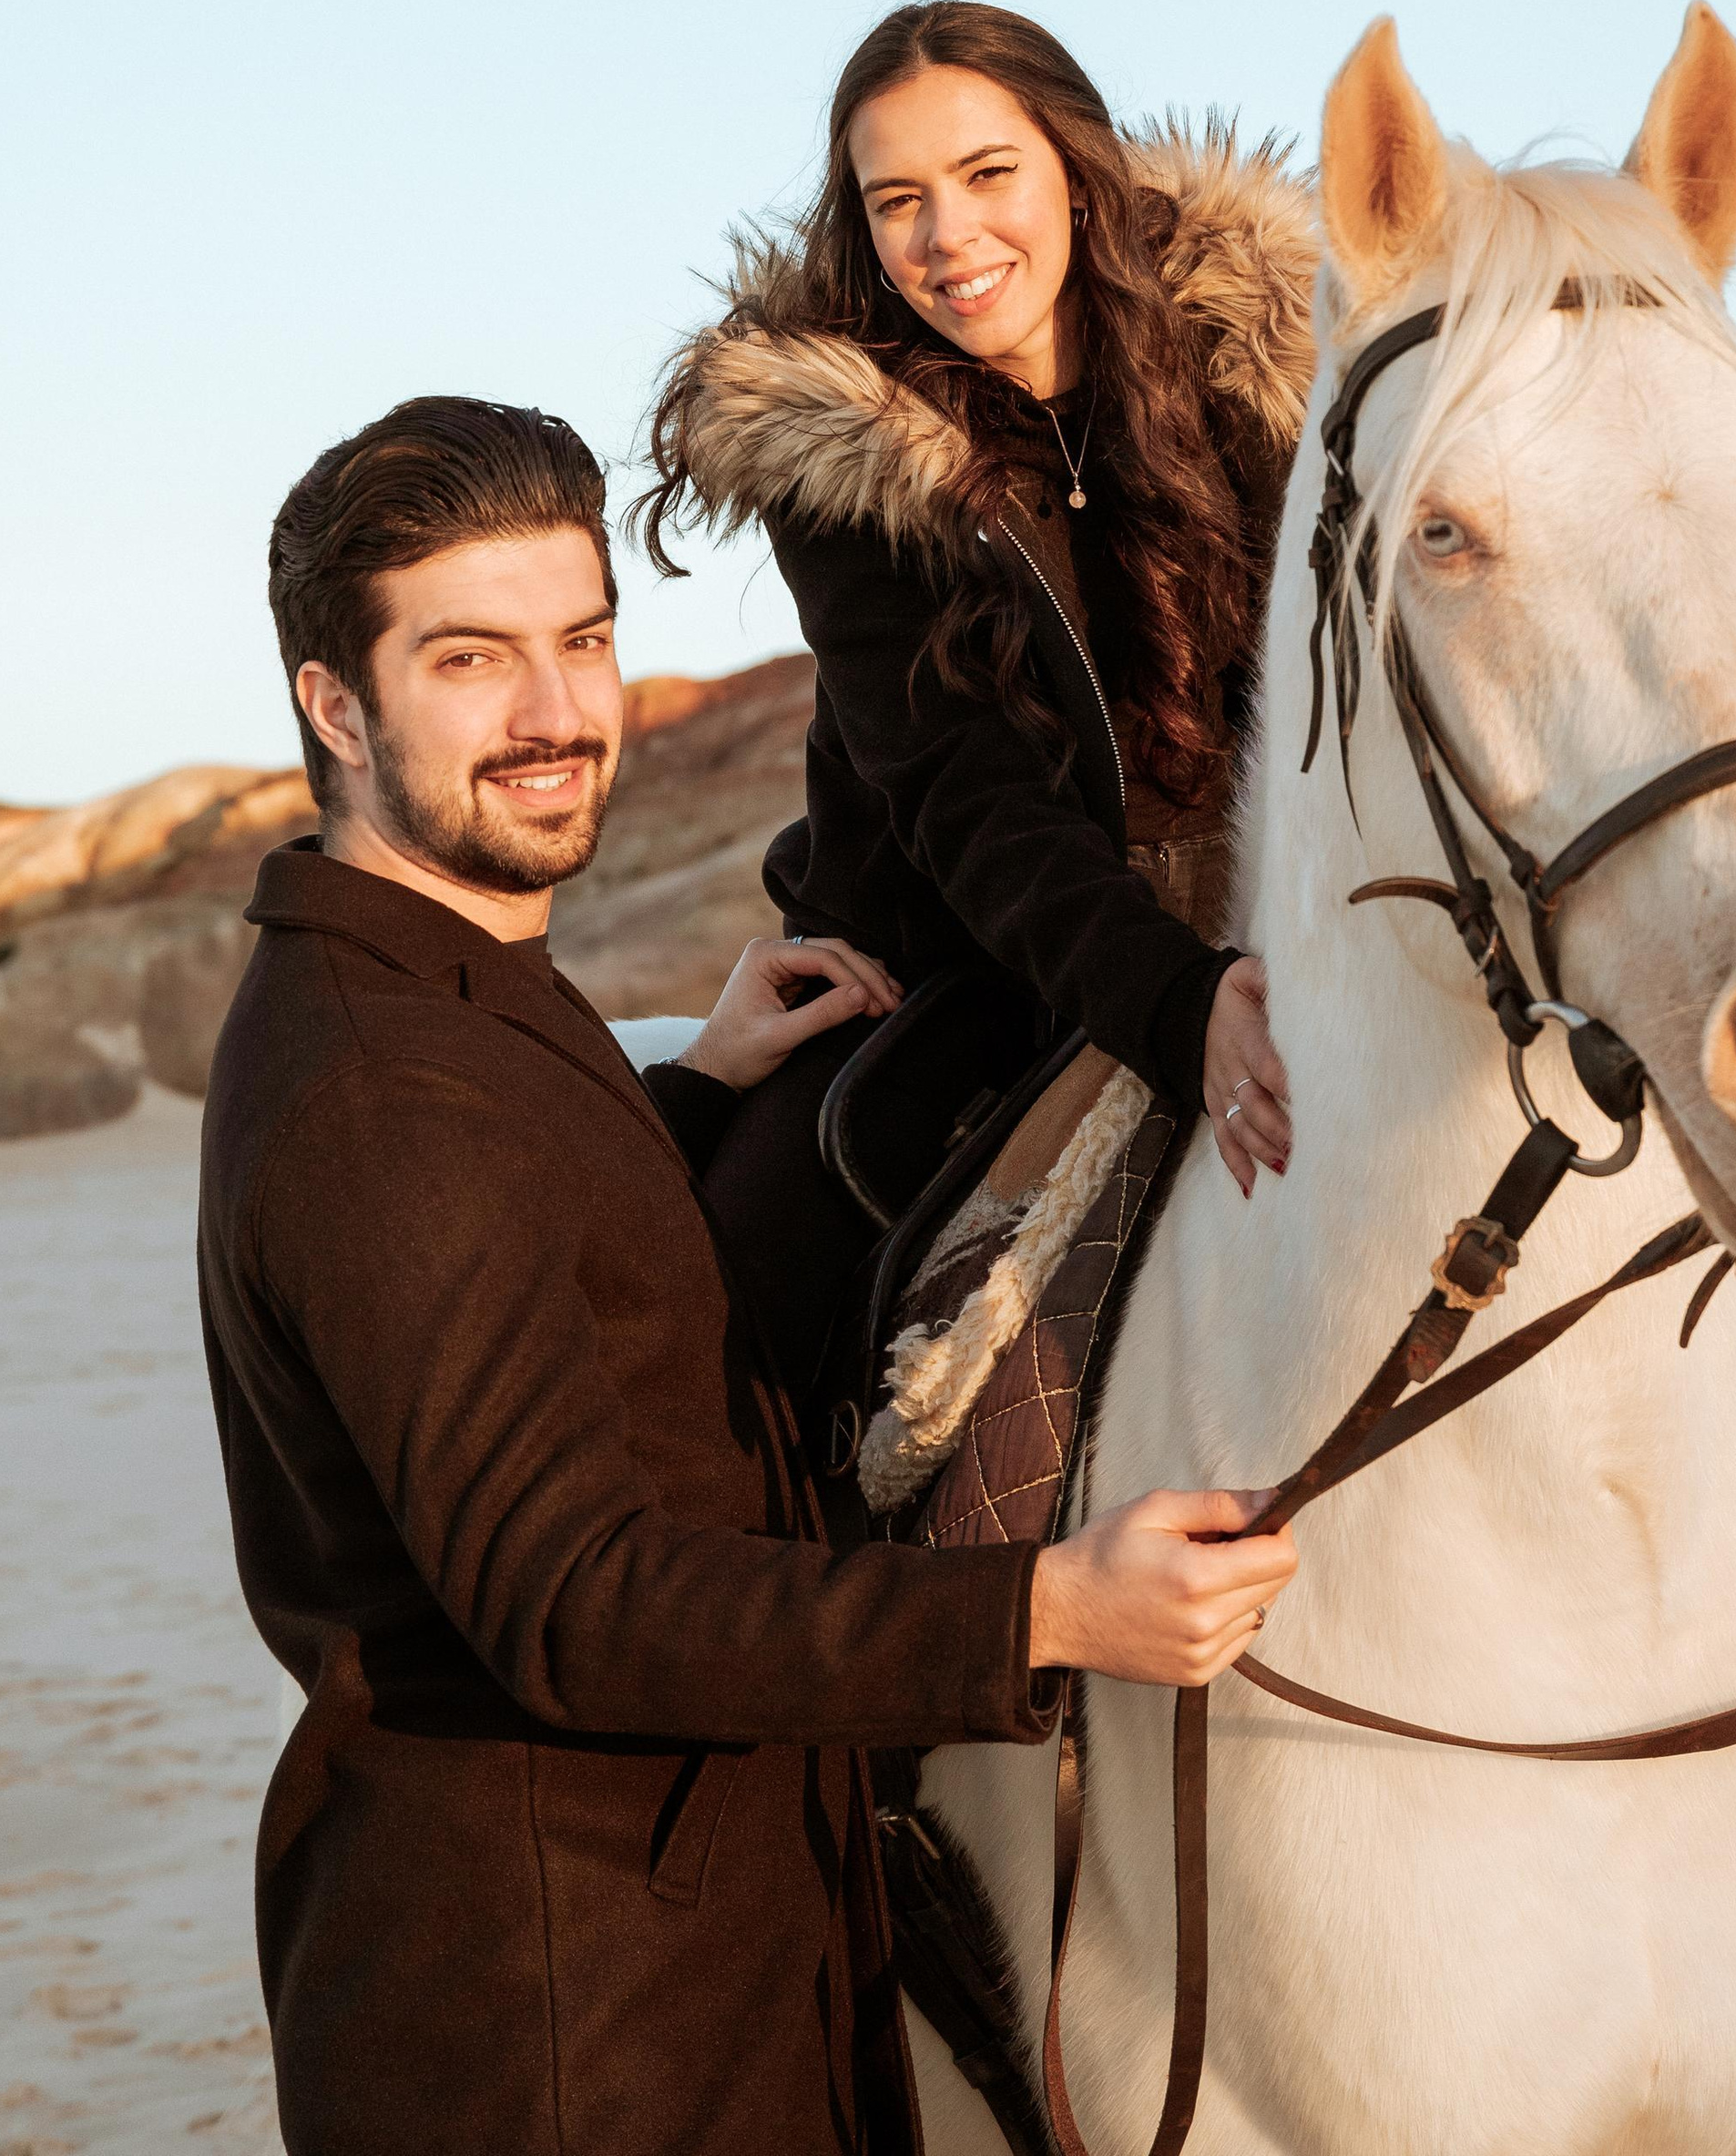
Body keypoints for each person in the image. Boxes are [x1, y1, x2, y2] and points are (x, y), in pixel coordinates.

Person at [197, 393, 1298, 2156]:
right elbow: (580, 1602)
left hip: (666, 1949)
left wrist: (683, 1093)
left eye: (582, 639)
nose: (555, 715)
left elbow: (503, 1235)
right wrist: (1048, 1612)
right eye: (471, 661)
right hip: (572, 2036)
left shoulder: (433, 991)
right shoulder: (375, 1089)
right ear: (336, 701)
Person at [638, 1, 1317, 1405]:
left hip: (1275, 924)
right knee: (726, 1350)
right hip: (959, 973)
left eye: (988, 175)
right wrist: (1175, 1004)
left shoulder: (1260, 383)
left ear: (1073, 168)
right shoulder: (848, 459)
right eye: (900, 201)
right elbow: (969, 798)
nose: (948, 237)